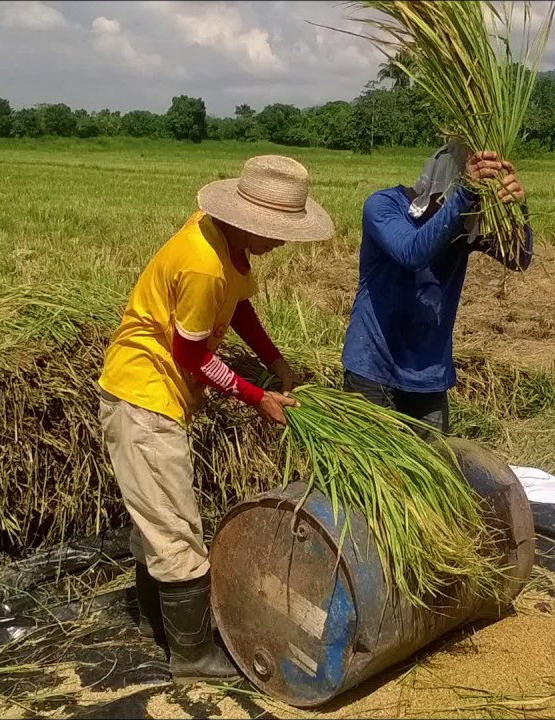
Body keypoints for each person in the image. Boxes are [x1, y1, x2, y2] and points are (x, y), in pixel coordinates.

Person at [96, 155, 333, 683]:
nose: (282, 242)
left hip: (153, 393)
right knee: (177, 529)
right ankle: (192, 657)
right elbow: (191, 354)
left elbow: (238, 305)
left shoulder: (223, 240)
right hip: (143, 398)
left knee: (157, 516)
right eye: (277, 231)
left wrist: (274, 360)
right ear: (248, 221)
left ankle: (154, 625)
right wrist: (257, 396)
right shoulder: (202, 261)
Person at [341, 141, 531, 431]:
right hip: (372, 367)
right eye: (459, 196)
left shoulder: (463, 222)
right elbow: (412, 253)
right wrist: (465, 193)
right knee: (373, 459)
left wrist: (517, 210)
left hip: (428, 374)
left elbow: (519, 259)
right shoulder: (383, 205)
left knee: (432, 460)